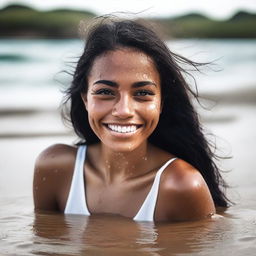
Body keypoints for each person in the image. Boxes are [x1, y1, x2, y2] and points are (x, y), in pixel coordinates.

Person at [33, 17, 229, 222]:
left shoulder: (181, 186)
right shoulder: (55, 168)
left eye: (143, 93)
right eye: (105, 92)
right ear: (85, 98)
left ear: (161, 102)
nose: (124, 110)